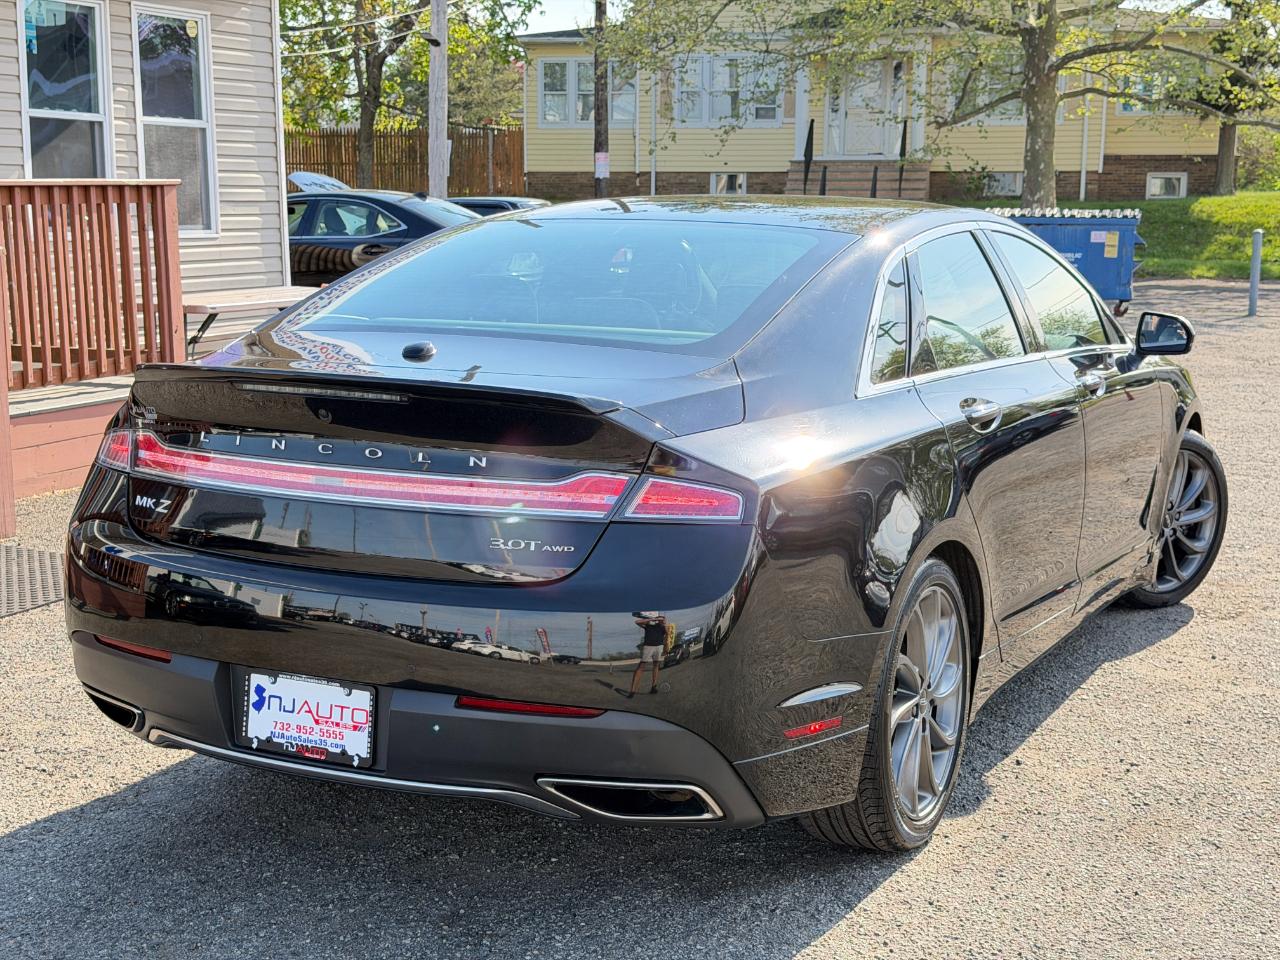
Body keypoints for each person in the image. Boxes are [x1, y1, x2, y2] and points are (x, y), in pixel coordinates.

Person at [628, 613, 667, 696]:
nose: (662, 620)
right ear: (656, 619)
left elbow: (667, 633)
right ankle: (632, 690)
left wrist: (664, 623)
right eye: (660, 619)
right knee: (641, 666)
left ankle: (653, 687)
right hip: (648, 646)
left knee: (656, 665)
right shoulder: (649, 625)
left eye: (663, 619)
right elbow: (637, 622)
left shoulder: (663, 627)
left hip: (659, 646)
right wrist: (652, 619)